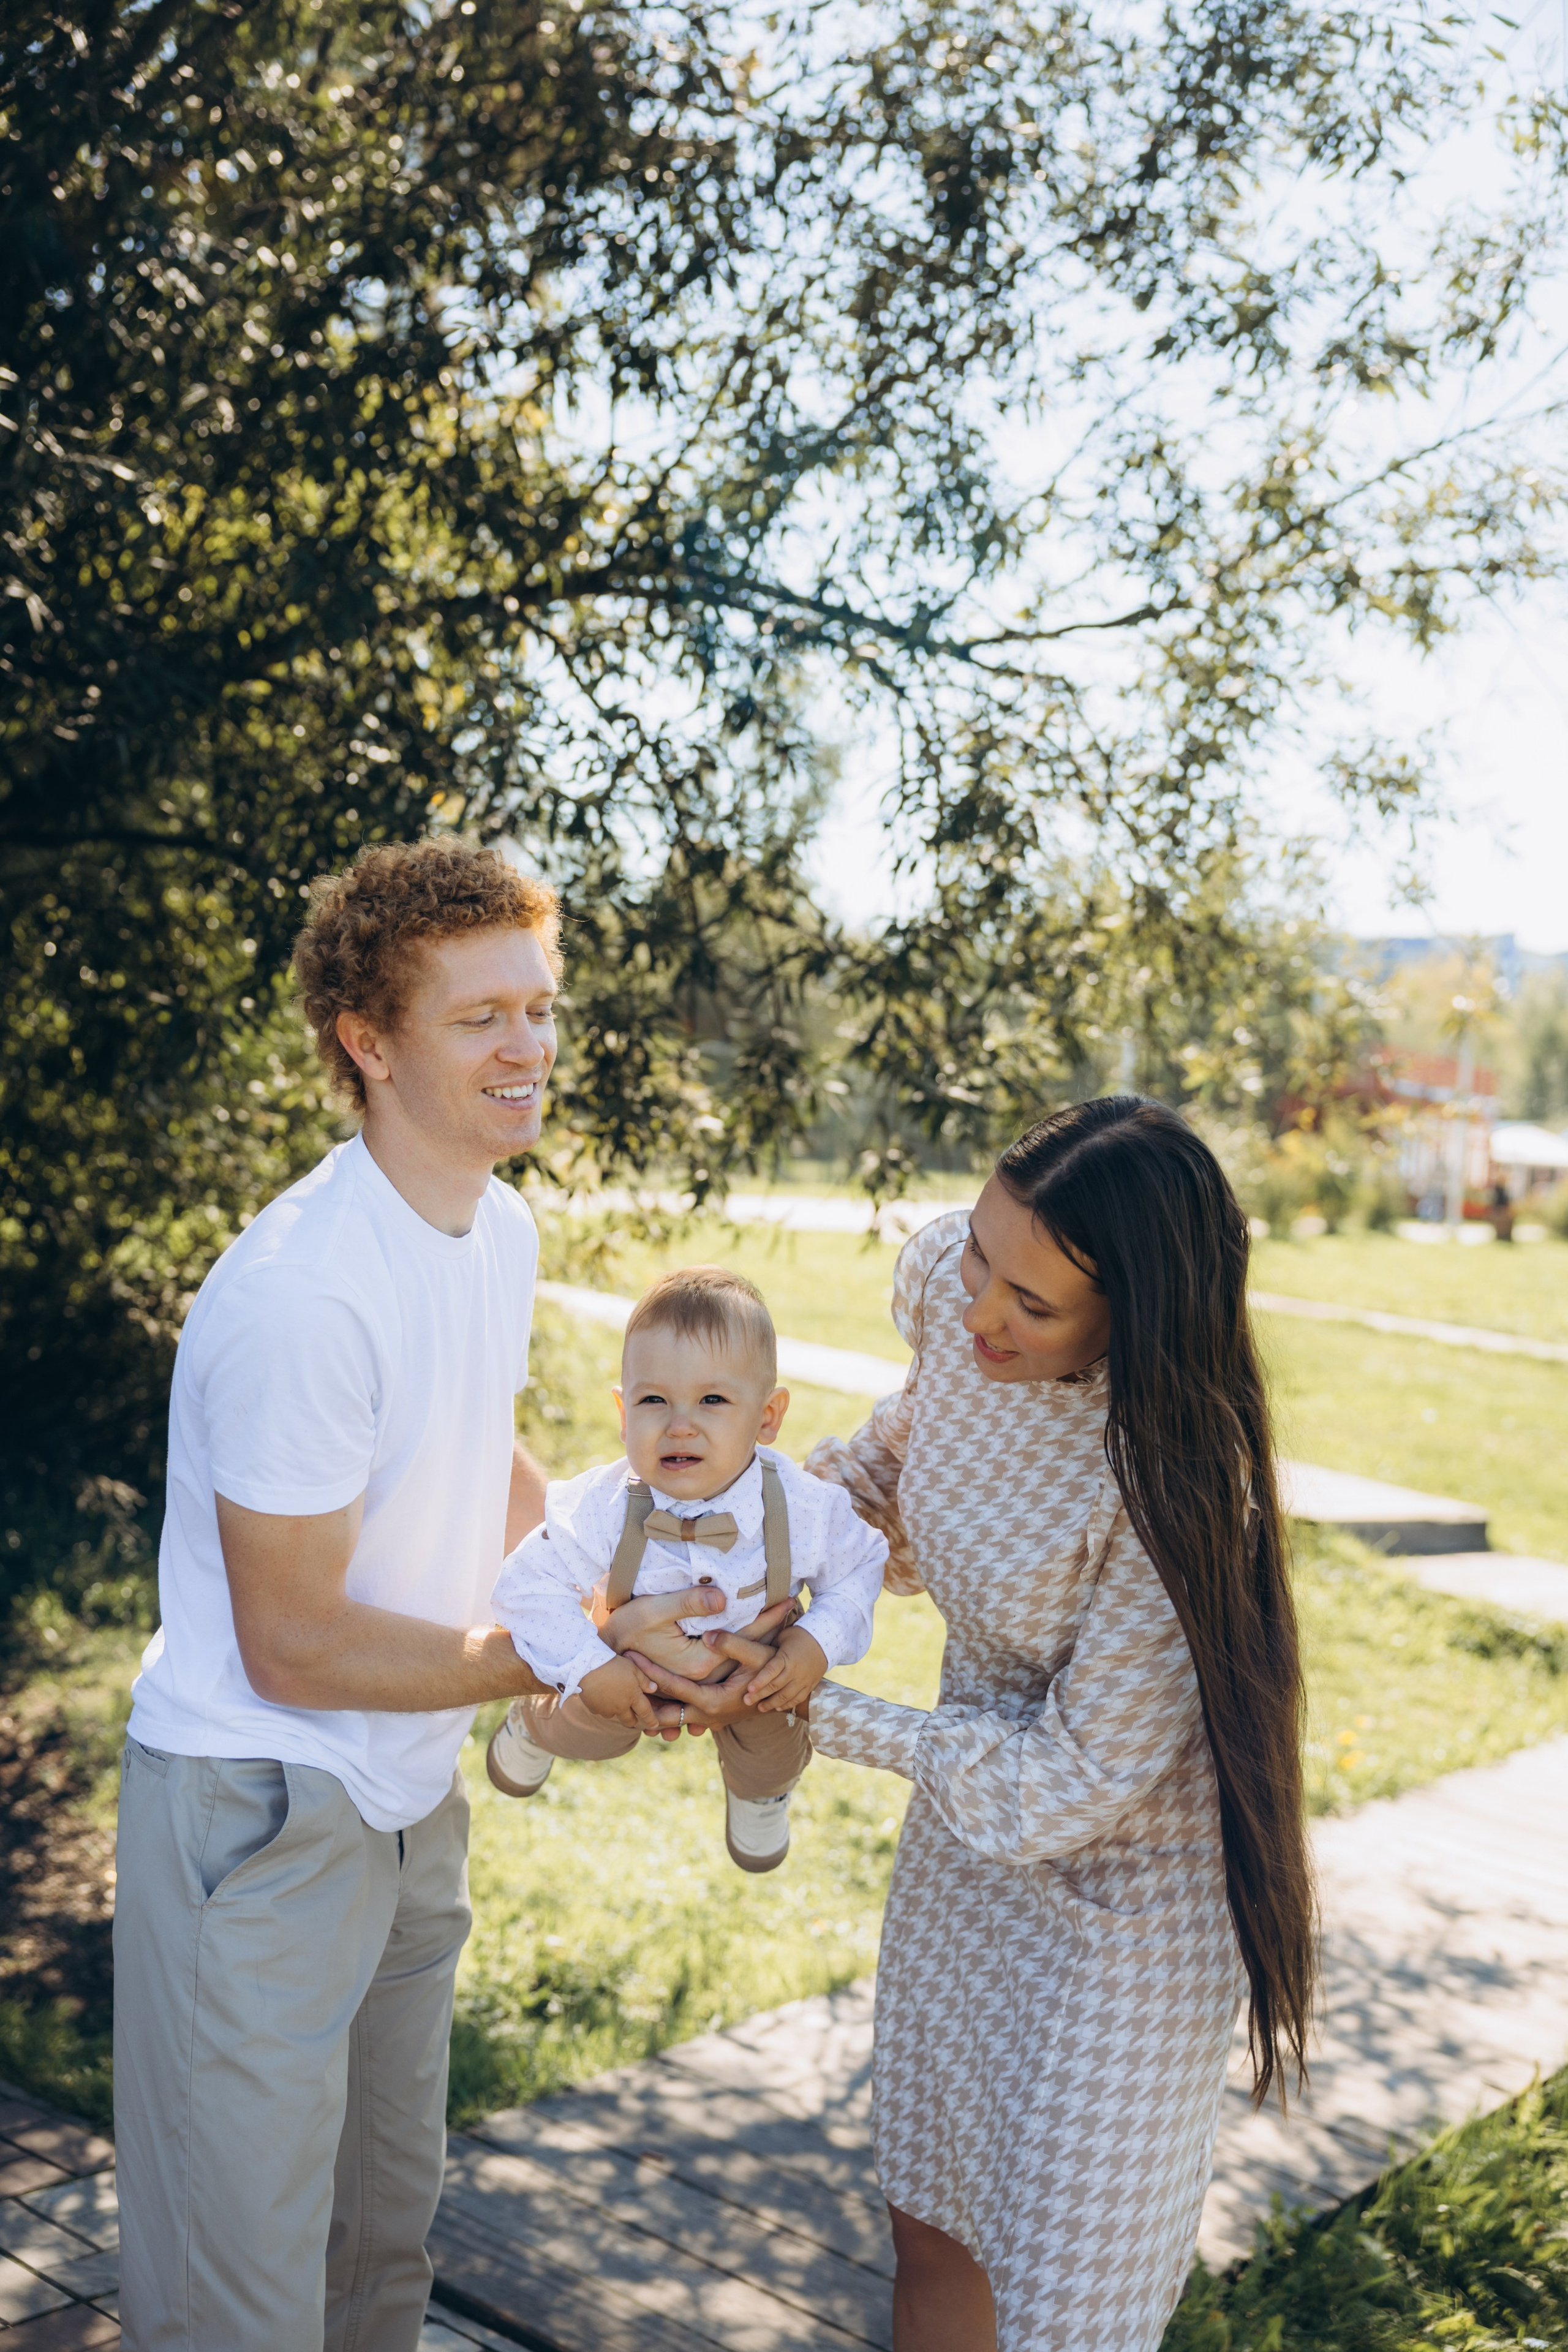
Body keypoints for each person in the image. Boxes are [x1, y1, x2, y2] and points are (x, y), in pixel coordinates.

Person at [112, 839, 716, 2352]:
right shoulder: (303, 1295)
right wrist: (559, 1658)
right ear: (367, 1044)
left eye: (541, 1005)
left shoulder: (492, 1225)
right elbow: (294, 1637)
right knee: (233, 2299)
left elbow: (475, 1443)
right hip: (255, 1815)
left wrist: (622, 1573)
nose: (529, 1048)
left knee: (377, 2251)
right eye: (479, 1017)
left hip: (404, 1800)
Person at [635, 1096, 1316, 2352]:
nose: (977, 1312)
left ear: (1132, 1321)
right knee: (934, 2224)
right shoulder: (962, 1307)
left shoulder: (1174, 1486)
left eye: (1032, 1303)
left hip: (1121, 1915)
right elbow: (899, 1457)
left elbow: (1065, 1784)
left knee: (1061, 2304)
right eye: (980, 1259)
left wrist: (818, 1707)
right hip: (965, 1855)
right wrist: (761, 1574)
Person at [486, 1265, 888, 1871]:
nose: (680, 1423)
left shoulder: (799, 1507)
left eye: (712, 1400)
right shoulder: (606, 1504)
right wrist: (590, 1668)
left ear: (767, 1417)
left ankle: (761, 1793)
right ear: (624, 1414)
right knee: (594, 1723)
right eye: (654, 1400)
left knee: (774, 1743)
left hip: (758, 1665)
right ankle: (533, 1729)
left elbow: (861, 1564)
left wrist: (813, 1643)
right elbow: (526, 1584)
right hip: (632, 1664)